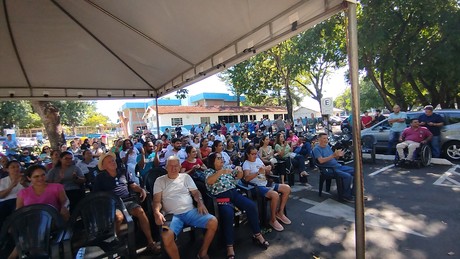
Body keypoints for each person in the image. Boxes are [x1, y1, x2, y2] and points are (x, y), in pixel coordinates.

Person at [93, 152, 161, 254]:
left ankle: (150, 242)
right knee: (118, 217)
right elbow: (97, 195)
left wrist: (140, 189)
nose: (113, 162)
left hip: (127, 201)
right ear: (104, 166)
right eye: (109, 161)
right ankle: (119, 244)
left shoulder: (123, 172)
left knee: (140, 211)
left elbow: (132, 184)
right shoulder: (100, 177)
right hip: (112, 204)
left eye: (113, 160)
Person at [205, 152, 269, 259]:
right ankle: (229, 245)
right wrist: (221, 172)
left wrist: (239, 171)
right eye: (219, 159)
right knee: (228, 214)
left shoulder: (227, 168)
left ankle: (257, 234)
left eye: (222, 158)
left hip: (234, 193)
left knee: (251, 206)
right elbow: (210, 181)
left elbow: (239, 176)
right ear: (212, 161)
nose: (222, 160)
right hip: (221, 197)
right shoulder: (209, 172)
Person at [153, 156, 217, 259]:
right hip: (172, 216)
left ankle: (203, 252)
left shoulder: (185, 177)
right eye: (171, 166)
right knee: (166, 236)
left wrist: (200, 202)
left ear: (179, 167)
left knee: (213, 222)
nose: (173, 169)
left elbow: (196, 192)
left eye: (176, 166)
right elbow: (157, 201)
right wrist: (156, 212)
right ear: (166, 167)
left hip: (190, 211)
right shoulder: (159, 181)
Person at [242, 146, 291, 232]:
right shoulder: (246, 164)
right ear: (247, 154)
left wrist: (268, 170)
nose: (255, 156)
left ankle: (280, 212)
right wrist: (257, 173)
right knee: (275, 195)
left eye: (256, 154)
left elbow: (267, 172)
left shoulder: (258, 160)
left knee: (286, 188)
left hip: (266, 183)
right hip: (256, 187)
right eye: (252, 154)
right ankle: (272, 219)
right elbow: (246, 178)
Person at [313, 133, 355, 203]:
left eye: (327, 138)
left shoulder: (327, 147)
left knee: (357, 172)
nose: (326, 140)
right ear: (319, 139)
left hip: (337, 166)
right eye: (324, 138)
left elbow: (334, 158)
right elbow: (321, 161)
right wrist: (333, 156)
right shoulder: (316, 149)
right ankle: (346, 196)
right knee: (348, 176)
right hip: (328, 169)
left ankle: (354, 192)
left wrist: (338, 155)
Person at [0, 160, 26, 230]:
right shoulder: (2, 181)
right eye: (13, 167)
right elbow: (1, 196)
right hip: (5, 203)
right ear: (7, 169)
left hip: (21, 201)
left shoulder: (26, 179)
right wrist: (11, 186)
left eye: (18, 166)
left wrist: (24, 184)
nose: (16, 169)